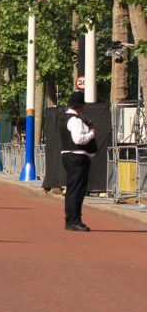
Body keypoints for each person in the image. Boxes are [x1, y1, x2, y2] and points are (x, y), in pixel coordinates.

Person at [61, 91, 97, 231]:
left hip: (68, 156)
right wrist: (91, 134)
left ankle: (71, 219)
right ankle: (74, 220)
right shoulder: (75, 120)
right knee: (77, 190)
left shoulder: (64, 118)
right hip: (77, 157)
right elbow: (78, 139)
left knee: (72, 189)